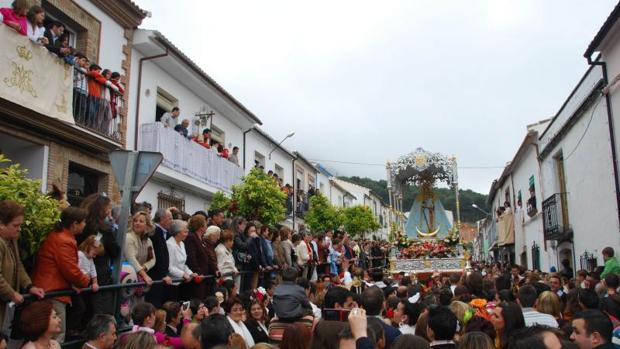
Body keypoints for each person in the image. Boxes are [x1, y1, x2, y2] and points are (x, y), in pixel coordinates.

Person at [32, 207, 91, 343]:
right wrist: (85, 280)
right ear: (75, 224)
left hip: (49, 287)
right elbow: (70, 270)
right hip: (53, 291)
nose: (85, 224)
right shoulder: (64, 240)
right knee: (56, 335)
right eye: (83, 222)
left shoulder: (58, 236)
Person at [0, 201, 44, 332]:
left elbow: (18, 264)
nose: (19, 229)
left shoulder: (11, 239)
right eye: (15, 225)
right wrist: (12, 293)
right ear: (1, 224)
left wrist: (30, 286)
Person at [78, 194, 121, 316]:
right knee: (101, 312)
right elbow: (115, 251)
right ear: (101, 209)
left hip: (82, 272)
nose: (109, 212)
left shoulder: (83, 224)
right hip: (100, 275)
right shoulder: (104, 229)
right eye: (108, 208)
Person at [147, 208, 173, 307]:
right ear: (162, 219)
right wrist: (163, 274)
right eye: (170, 218)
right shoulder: (156, 232)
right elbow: (158, 255)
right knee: (154, 303)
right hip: (156, 275)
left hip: (160, 275)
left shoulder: (162, 232)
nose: (172, 221)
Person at [166, 220, 196, 301]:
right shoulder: (170, 245)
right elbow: (170, 267)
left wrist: (190, 273)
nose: (187, 234)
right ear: (178, 232)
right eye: (185, 232)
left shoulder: (182, 243)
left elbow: (183, 264)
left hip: (181, 282)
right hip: (172, 283)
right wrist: (183, 274)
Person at [124, 212, 156, 287]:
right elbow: (131, 259)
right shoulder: (128, 237)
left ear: (147, 225)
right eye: (135, 221)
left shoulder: (148, 241)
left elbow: (152, 259)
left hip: (139, 276)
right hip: (126, 277)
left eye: (141, 221)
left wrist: (143, 268)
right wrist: (145, 275)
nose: (137, 223)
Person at [185, 214, 210, 300]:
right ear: (201, 227)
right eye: (205, 224)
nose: (207, 226)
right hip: (197, 278)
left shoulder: (201, 238)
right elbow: (192, 258)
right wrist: (198, 272)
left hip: (204, 277)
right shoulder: (191, 237)